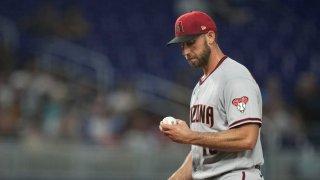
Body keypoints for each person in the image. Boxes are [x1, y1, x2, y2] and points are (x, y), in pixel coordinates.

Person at [159, 11, 264, 180]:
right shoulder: (199, 88)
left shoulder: (234, 77)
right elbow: (200, 152)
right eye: (182, 46)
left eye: (191, 43)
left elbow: (247, 137)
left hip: (236, 175)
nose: (185, 51)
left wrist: (189, 136)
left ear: (210, 36)